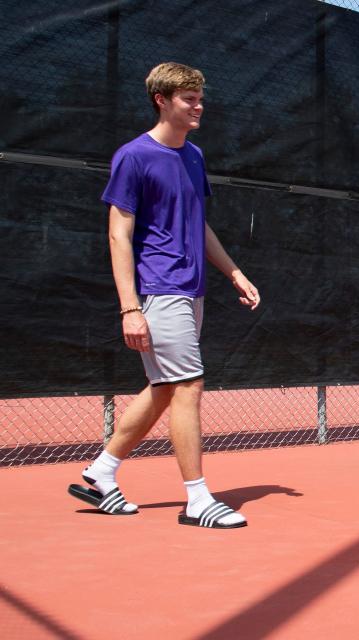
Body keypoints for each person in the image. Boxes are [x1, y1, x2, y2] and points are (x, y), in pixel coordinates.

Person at [67, 62, 260, 529]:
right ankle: (196, 499)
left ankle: (102, 472)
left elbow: (198, 222)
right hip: (158, 288)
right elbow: (119, 234)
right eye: (188, 98)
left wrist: (233, 271)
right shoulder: (133, 157)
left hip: (189, 288)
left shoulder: (193, 156)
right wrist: (130, 308)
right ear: (162, 100)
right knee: (189, 386)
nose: (198, 106)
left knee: (165, 388)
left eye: (200, 97)